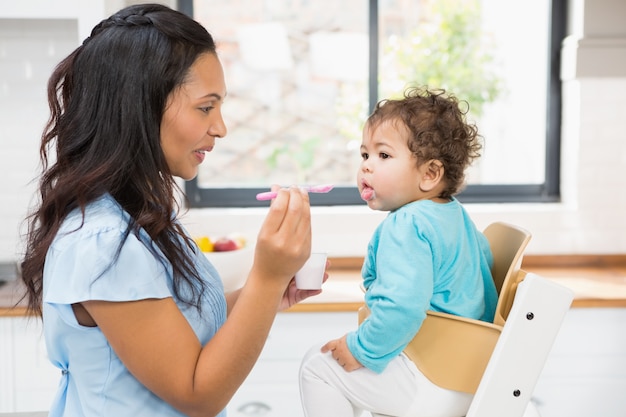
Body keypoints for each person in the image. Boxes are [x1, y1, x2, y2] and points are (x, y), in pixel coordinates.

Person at [19, 4, 324, 416]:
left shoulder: (136, 221)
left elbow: (177, 324)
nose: (220, 127)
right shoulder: (103, 241)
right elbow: (197, 394)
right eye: (205, 107)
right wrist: (267, 279)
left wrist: (267, 294)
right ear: (140, 107)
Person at [299, 86, 497, 417]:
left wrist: (360, 349)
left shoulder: (407, 224)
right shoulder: (454, 215)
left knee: (317, 368)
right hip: (467, 378)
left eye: (384, 156)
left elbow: (402, 309)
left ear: (430, 174)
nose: (366, 167)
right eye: (364, 155)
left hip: (430, 380)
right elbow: (482, 267)